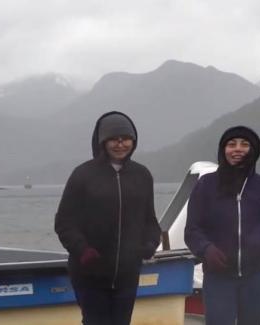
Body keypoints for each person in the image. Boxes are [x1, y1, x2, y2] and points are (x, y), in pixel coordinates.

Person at [55, 111, 161, 325]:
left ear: (134, 140)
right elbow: (64, 222)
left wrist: (150, 243)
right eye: (114, 139)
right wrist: (82, 250)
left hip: (127, 274)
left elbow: (150, 220)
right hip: (89, 272)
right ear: (102, 141)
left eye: (125, 138)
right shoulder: (83, 175)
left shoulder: (142, 175)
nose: (120, 144)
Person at [184, 126, 260, 325]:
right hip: (218, 275)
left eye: (244, 144)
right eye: (231, 144)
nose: (237, 149)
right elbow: (192, 230)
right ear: (223, 150)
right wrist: (206, 249)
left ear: (254, 151)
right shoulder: (206, 184)